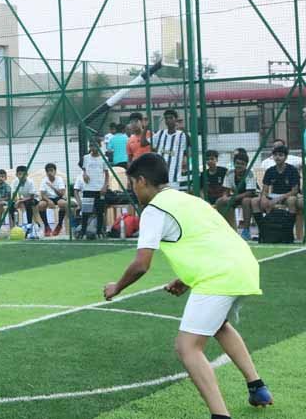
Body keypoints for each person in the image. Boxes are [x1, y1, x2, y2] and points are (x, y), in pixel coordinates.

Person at [103, 153, 273, 419]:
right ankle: (257, 387)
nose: (131, 190)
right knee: (218, 325)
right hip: (243, 266)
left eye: (131, 184)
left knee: (187, 347)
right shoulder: (189, 200)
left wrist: (117, 287)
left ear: (142, 181)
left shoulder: (155, 210)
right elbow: (208, 238)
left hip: (219, 276)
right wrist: (184, 279)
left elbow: (141, 264)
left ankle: (220, 415)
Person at [251, 144, 301, 219]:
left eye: (280, 155)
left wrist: (278, 199)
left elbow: (294, 191)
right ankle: (262, 227)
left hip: (287, 196)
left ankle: (289, 227)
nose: (277, 157)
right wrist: (264, 198)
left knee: (292, 200)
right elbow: (265, 190)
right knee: (255, 201)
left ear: (286, 157)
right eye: (275, 155)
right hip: (273, 195)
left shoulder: (292, 170)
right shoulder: (270, 170)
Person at [216, 152, 258, 240]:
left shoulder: (250, 174)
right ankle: (228, 228)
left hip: (250, 196)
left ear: (246, 165)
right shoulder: (229, 173)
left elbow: (250, 192)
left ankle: (246, 230)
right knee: (219, 201)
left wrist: (233, 198)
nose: (239, 166)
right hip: (236, 196)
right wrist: (225, 197)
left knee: (245, 201)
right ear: (234, 163)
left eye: (242, 164)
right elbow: (226, 190)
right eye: (237, 163)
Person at [151, 109, 189, 191]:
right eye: (166, 118)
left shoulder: (182, 135)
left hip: (174, 176)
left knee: (173, 199)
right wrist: (147, 126)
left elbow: (187, 149)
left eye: (171, 118)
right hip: (160, 175)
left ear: (176, 119)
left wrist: (183, 128)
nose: (168, 120)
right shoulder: (160, 133)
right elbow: (144, 143)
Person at [79, 139, 109, 238]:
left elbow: (107, 174)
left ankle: (99, 232)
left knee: (100, 211)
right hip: (88, 188)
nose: (93, 148)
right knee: (86, 212)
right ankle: (83, 232)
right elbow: (84, 169)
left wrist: (105, 186)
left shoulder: (104, 158)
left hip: (99, 189)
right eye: (91, 146)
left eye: (95, 146)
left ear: (99, 146)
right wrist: (84, 175)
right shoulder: (86, 158)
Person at [38, 163, 68, 236]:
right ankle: (47, 226)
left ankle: (59, 225)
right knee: (41, 205)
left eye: (51, 170)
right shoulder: (44, 180)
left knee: (63, 203)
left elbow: (61, 194)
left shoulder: (59, 179)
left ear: (55, 171)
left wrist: (53, 187)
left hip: (57, 197)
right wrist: (49, 201)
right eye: (48, 171)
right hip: (47, 198)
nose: (50, 173)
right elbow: (42, 194)